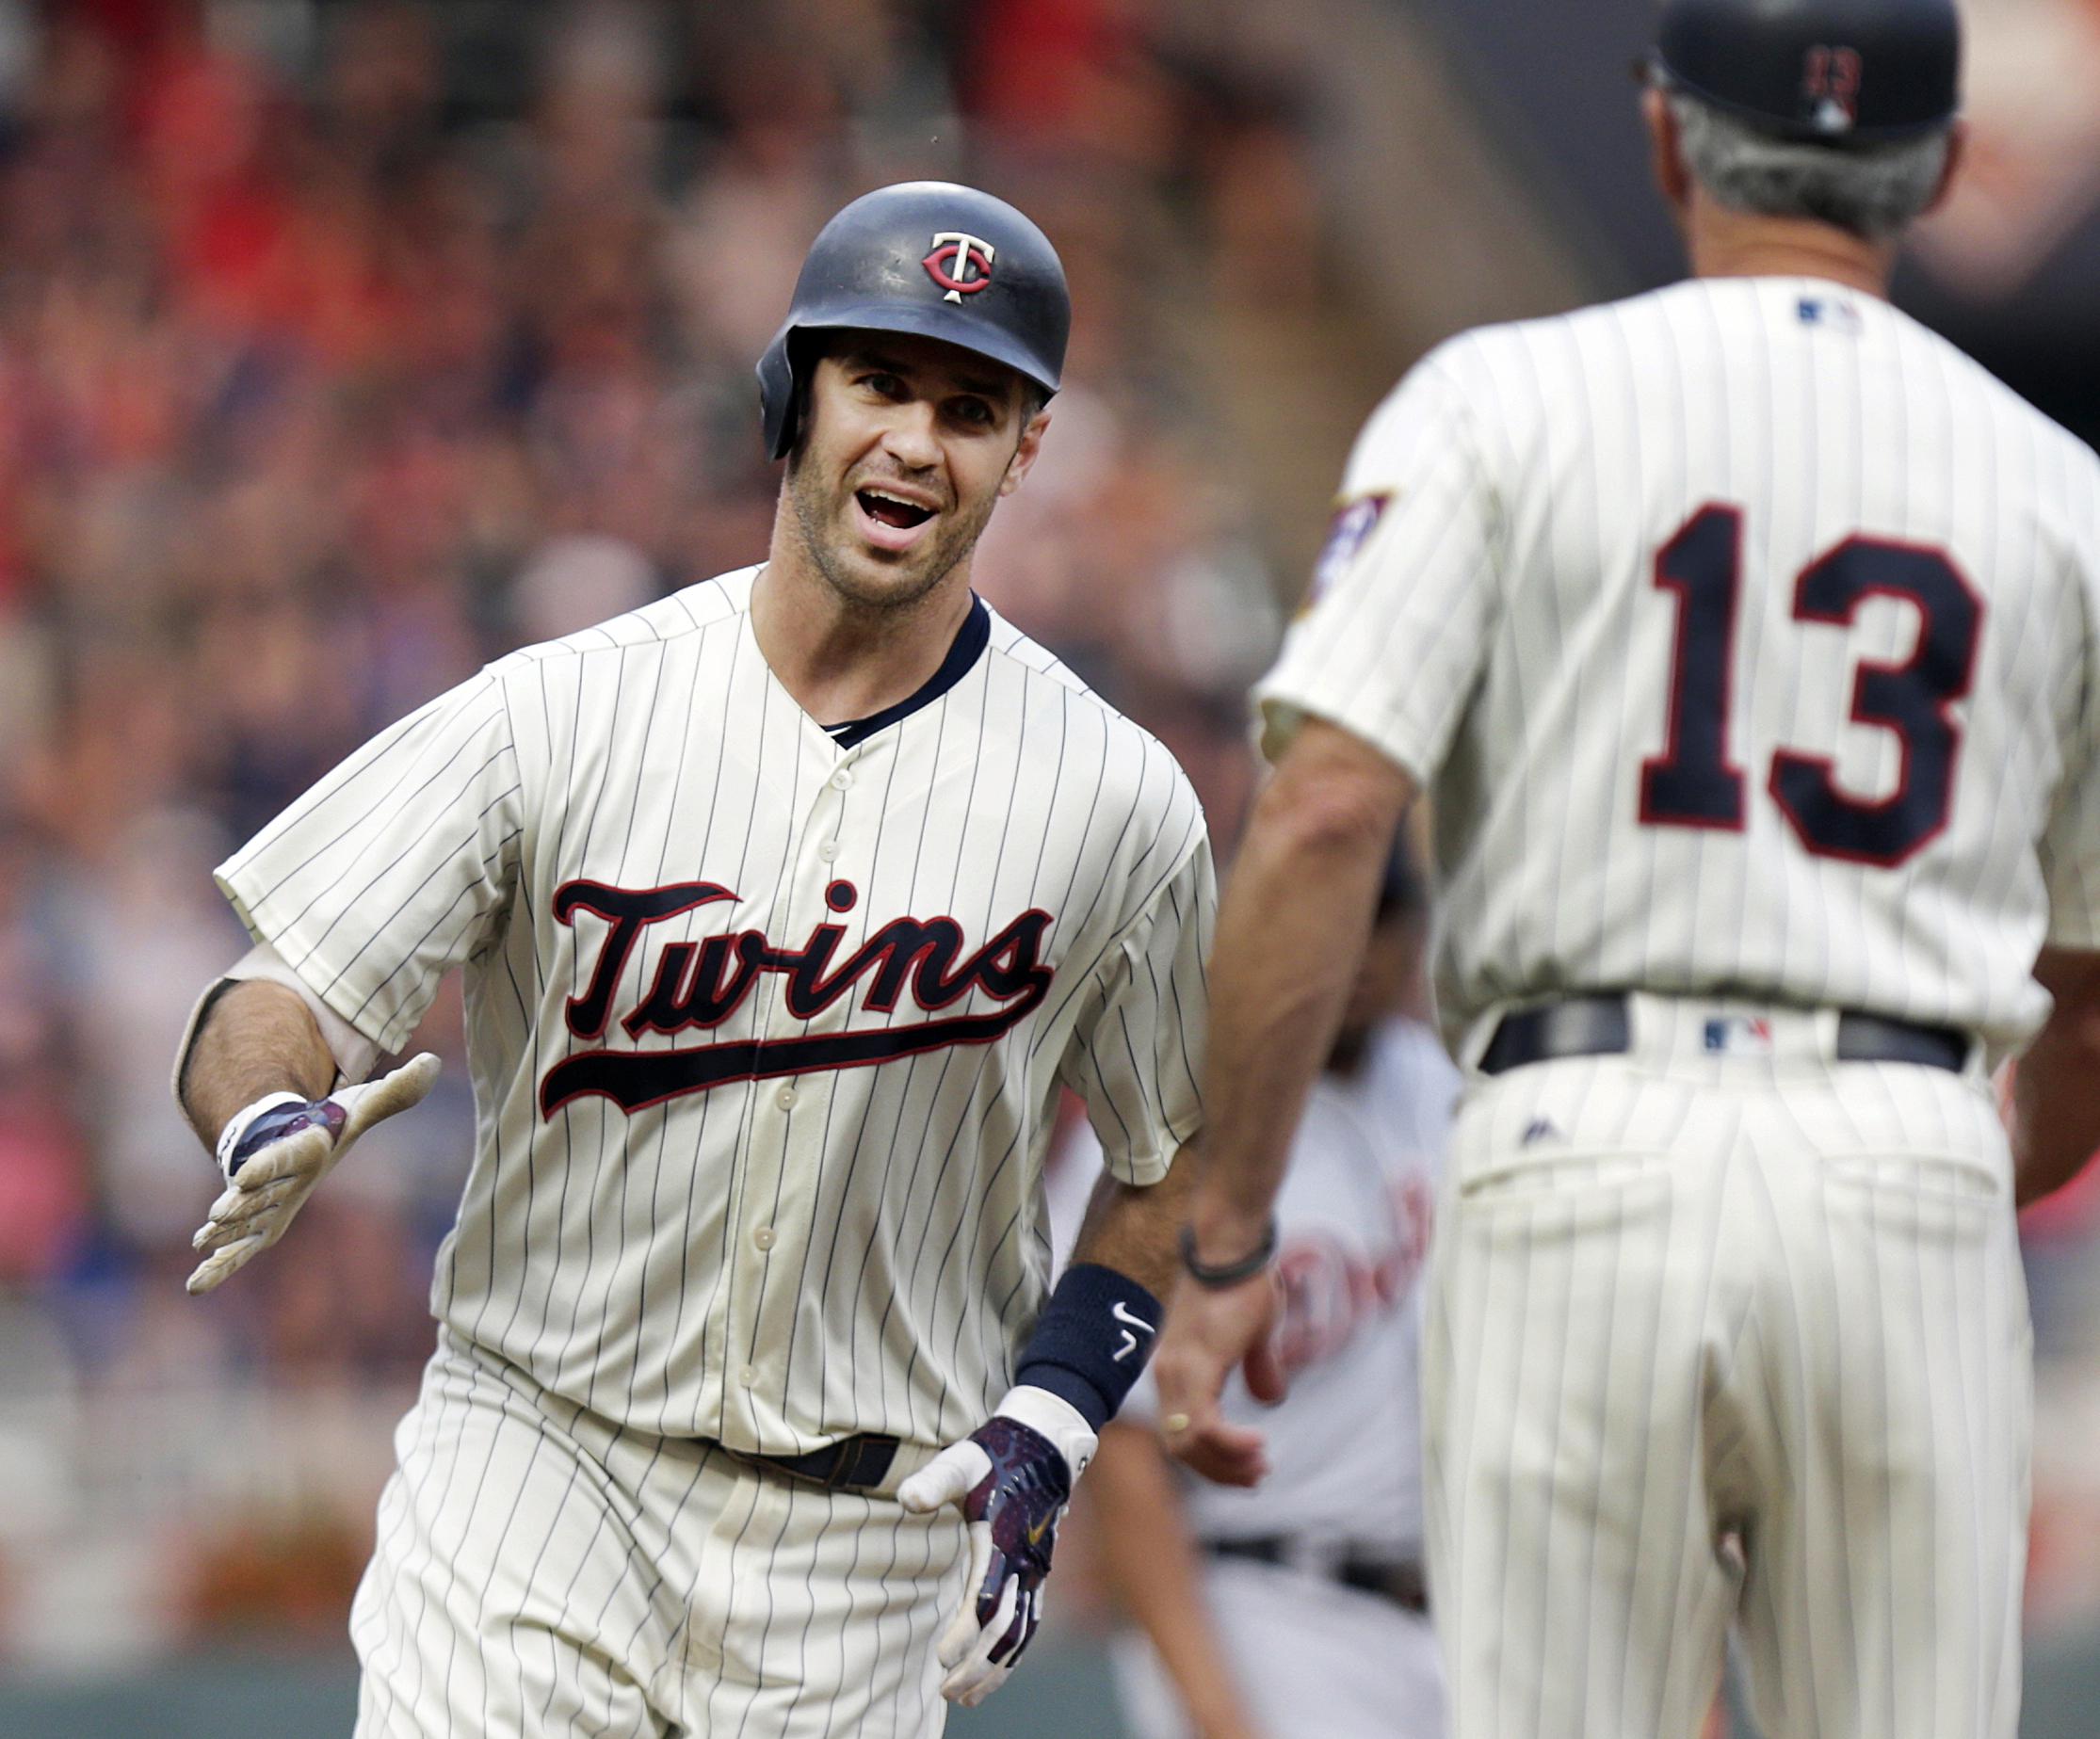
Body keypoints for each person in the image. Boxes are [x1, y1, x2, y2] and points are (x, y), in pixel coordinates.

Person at [1151, 1, 2100, 1734]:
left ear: (1666, 137)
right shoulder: (2061, 491)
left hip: (1580, 1143)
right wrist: (1959, 1162)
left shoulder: (1500, 398)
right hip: (1907, 1146)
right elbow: (2095, 986)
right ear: (1942, 169)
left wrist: (1224, 1239)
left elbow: (1322, 810)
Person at [171, 181, 1215, 1737]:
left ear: (1027, 447)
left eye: (972, 404)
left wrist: (1055, 1418)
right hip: (536, 1476)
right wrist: (266, 1106)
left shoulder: (1119, 802)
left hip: (860, 1570)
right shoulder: (566, 708)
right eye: (881, 383)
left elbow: (1171, 1154)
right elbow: (280, 988)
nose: (918, 442)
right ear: (793, 395)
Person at [1051, 843, 1452, 1739]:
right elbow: (1124, 1449)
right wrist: (1214, 1710)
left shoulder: (1433, 1084)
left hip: (1458, 1614)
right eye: (1324, 917)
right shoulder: (1178, 1111)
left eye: (1374, 917)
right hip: (1269, 1603)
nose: (1350, 947)